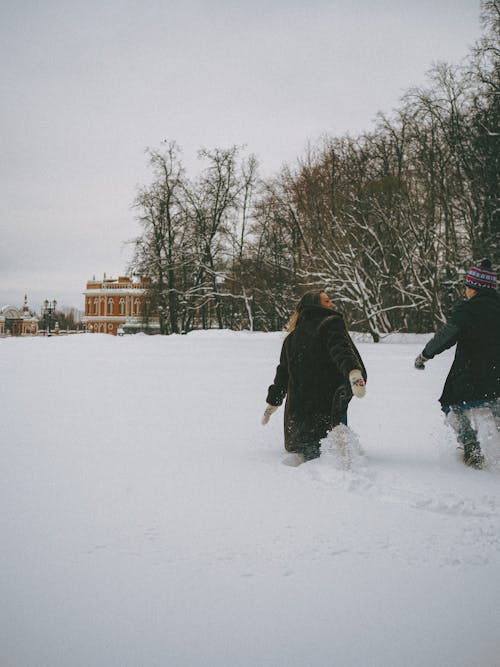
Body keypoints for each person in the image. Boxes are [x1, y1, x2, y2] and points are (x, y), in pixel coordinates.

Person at [261, 290, 367, 462]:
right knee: (333, 446)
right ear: (314, 304)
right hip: (328, 402)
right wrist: (353, 372)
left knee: (310, 448)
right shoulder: (331, 323)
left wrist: (273, 403)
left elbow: (282, 376)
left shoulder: (291, 338)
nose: (331, 304)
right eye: (326, 301)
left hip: (300, 417)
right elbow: (341, 350)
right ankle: (342, 462)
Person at [414, 259, 500, 468]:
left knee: (453, 404)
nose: (467, 291)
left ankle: (470, 446)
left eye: (468, 287)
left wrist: (425, 354)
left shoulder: (468, 310)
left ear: (475, 288)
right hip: (497, 375)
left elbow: (447, 335)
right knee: (495, 405)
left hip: (470, 372)